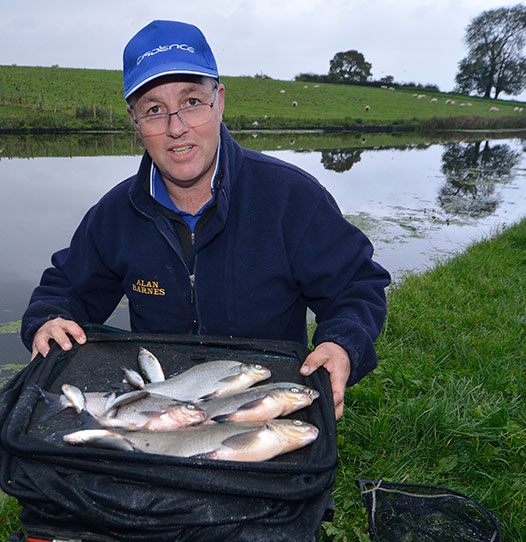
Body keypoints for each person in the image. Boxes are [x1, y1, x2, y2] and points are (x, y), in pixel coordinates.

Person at [22, 19, 390, 419]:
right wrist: (49, 319)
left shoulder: (293, 199)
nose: (176, 128)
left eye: (192, 102)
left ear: (220, 101)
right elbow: (66, 287)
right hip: (161, 411)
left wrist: (342, 343)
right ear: (134, 121)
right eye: (154, 110)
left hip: (262, 408)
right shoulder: (115, 215)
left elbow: (356, 285)